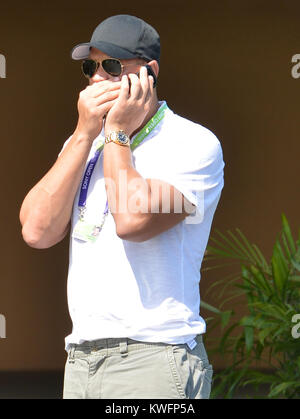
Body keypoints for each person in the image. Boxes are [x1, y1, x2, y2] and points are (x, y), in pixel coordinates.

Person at [19, 14, 225, 399]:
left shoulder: (192, 143)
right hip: (82, 359)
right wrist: (84, 134)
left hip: (153, 357)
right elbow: (36, 230)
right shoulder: (85, 143)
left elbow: (132, 220)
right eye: (89, 67)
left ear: (149, 72)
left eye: (111, 66)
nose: (97, 78)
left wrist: (115, 132)